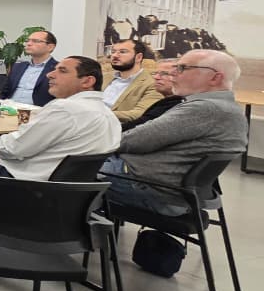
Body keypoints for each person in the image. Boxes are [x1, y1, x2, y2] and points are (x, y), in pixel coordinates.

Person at [0, 56, 120, 206]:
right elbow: (60, 154)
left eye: (62, 71)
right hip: (66, 196)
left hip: (22, 186)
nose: (50, 75)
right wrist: (6, 157)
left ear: (87, 81)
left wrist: (0, 153)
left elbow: (12, 147)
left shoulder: (65, 109)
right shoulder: (109, 116)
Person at [101, 50, 248, 216]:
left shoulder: (204, 108)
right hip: (168, 189)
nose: (173, 73)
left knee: (77, 171)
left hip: (149, 189)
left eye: (182, 68)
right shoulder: (227, 108)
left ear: (215, 78)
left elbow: (134, 140)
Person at [0, 30, 58, 159]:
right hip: (8, 111)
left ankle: (2, 160)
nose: (29, 43)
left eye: (35, 41)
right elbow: (5, 92)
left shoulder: (57, 69)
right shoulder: (19, 66)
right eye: (28, 40)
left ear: (50, 47)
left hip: (34, 117)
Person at [101, 39, 162, 126]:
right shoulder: (104, 77)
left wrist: (99, 114)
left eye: (122, 52)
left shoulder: (152, 84)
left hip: (116, 128)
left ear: (138, 57)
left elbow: (140, 113)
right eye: (113, 52)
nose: (114, 55)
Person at [125, 59, 183, 132]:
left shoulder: (179, 104)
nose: (156, 77)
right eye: (155, 73)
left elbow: (141, 126)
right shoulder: (166, 102)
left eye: (164, 73)